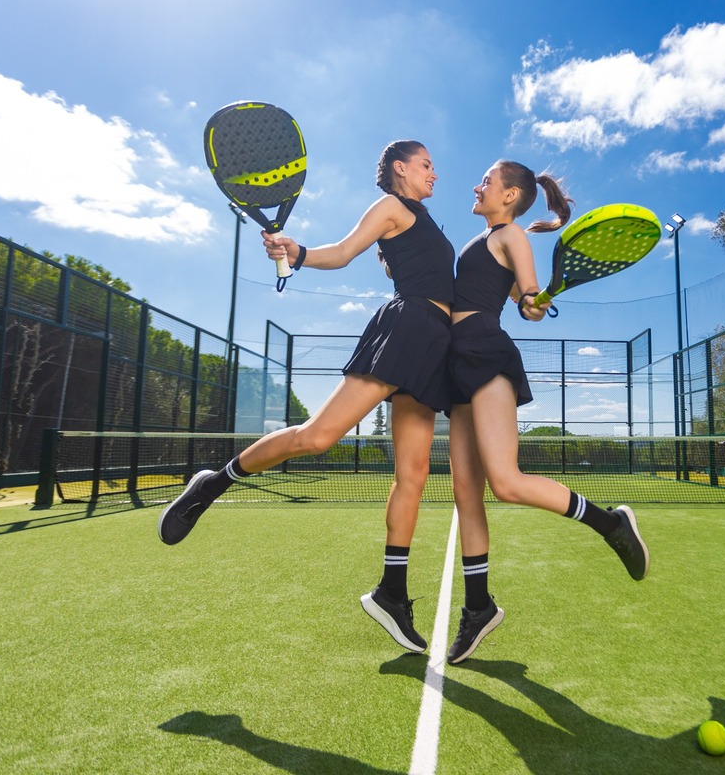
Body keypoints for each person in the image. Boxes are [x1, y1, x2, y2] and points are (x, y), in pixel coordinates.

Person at [158, 140, 454, 655]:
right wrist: (297, 253)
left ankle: (392, 593)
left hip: (434, 340)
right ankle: (214, 482)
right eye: (426, 165)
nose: (435, 173)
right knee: (318, 437)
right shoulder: (391, 207)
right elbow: (342, 252)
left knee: (415, 474)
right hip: (407, 327)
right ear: (401, 169)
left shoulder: (422, 221)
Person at [444, 160, 649, 665]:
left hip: (485, 355)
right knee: (465, 495)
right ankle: (478, 609)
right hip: (456, 362)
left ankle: (611, 524)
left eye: (486, 181)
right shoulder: (486, 238)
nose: (477, 185)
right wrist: (528, 300)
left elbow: (528, 301)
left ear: (510, 194)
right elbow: (522, 300)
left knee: (505, 483)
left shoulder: (512, 234)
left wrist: (534, 299)